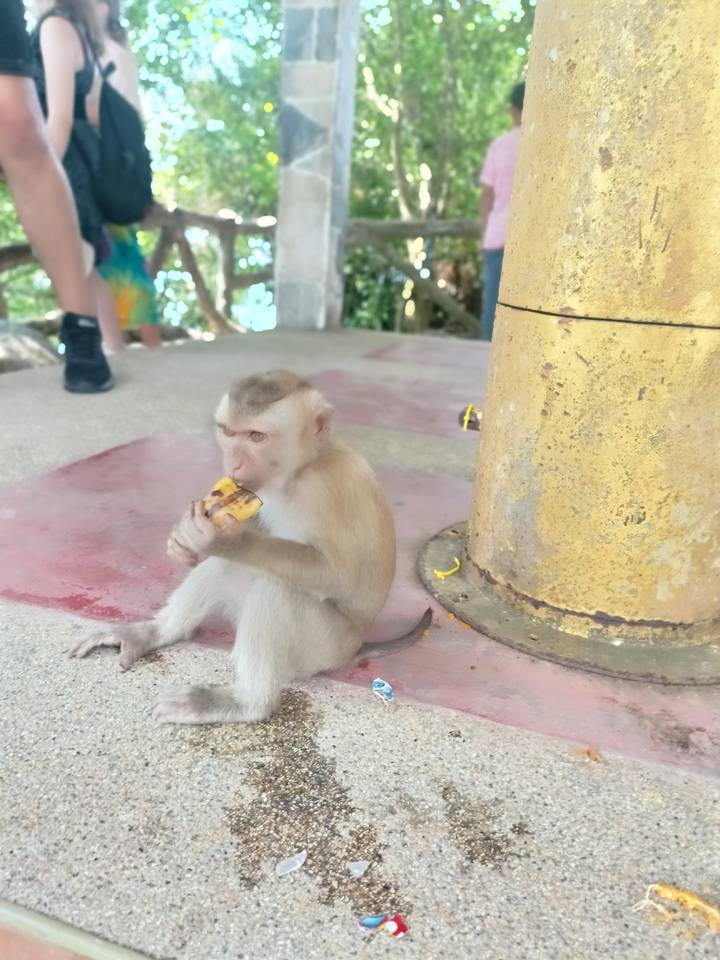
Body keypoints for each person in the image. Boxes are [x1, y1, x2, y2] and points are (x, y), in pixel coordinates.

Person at [0, 0, 112, 392]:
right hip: (82, 166)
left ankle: (82, 325)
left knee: (15, 117)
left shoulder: (57, 27)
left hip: (72, 166)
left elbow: (63, 119)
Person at [95, 0, 161, 349]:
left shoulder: (100, 50)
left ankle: (114, 347)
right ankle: (144, 346)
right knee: (122, 255)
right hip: (125, 168)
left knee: (105, 255)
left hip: (104, 166)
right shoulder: (120, 49)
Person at [479, 81, 525, 341]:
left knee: (493, 312)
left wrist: (483, 234)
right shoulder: (546, 144)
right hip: (531, 241)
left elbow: (487, 195)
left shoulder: (500, 145)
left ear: (512, 110)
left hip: (497, 237)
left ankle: (487, 371)